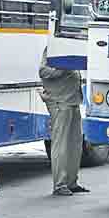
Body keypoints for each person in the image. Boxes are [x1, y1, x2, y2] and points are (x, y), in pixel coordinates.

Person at [39, 48, 88, 197]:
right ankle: (59, 185)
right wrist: (66, 67)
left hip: (72, 100)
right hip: (60, 102)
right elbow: (44, 72)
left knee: (75, 143)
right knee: (61, 144)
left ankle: (71, 182)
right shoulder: (54, 48)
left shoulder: (72, 45)